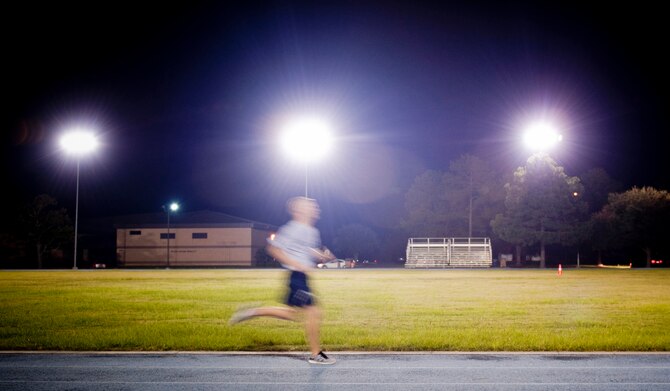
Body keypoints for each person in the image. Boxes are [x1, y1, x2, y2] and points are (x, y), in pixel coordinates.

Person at [229, 196, 336, 365]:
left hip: (303, 278)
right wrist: (297, 264)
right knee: (314, 312)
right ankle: (315, 354)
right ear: (299, 210)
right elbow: (273, 249)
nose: (316, 209)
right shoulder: (292, 229)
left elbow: (307, 249)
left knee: (291, 315)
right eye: (311, 206)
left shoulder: (312, 231)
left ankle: (252, 312)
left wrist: (322, 256)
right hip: (295, 276)